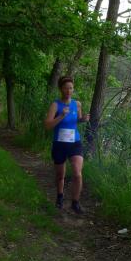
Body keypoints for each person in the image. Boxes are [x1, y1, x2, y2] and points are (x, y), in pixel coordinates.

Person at [44, 77, 90, 213]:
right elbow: (47, 125)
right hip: (59, 144)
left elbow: (77, 120)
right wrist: (61, 116)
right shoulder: (55, 105)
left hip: (75, 142)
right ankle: (60, 196)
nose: (69, 91)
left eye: (71, 88)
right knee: (60, 175)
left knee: (77, 173)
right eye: (66, 88)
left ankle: (75, 202)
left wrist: (83, 119)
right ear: (61, 89)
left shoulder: (77, 104)